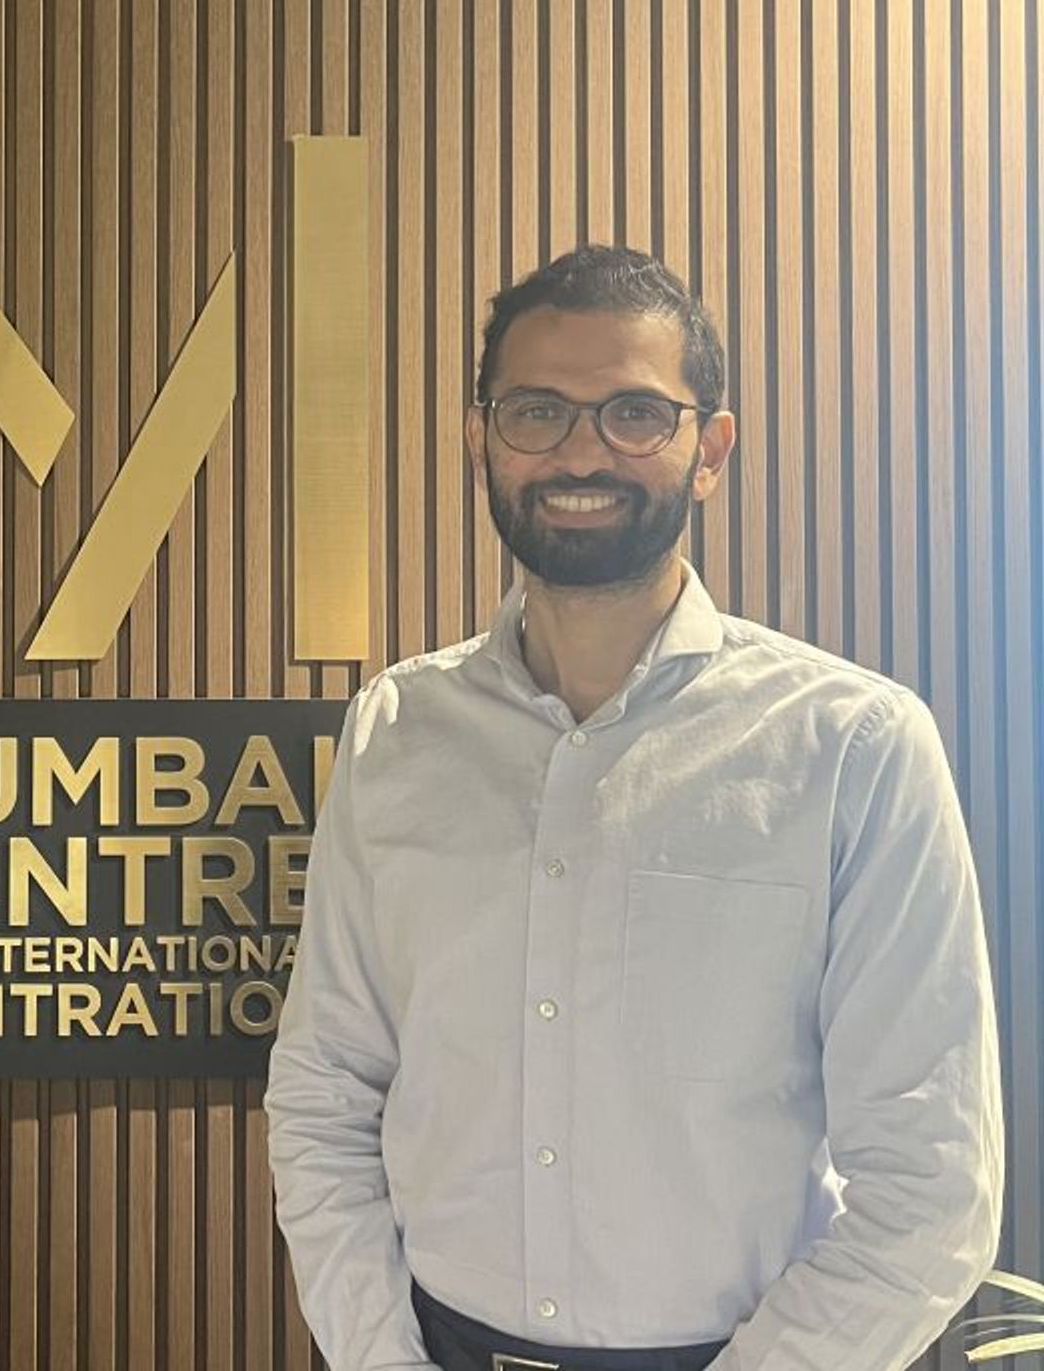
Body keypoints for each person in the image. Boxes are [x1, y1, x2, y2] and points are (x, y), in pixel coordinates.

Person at [265, 244, 1003, 1371]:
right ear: (480, 441)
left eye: (631, 414)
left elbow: (930, 1183)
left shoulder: (852, 747)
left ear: (707, 448)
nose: (579, 451)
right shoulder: (395, 731)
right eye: (535, 412)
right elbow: (324, 1094)